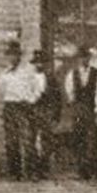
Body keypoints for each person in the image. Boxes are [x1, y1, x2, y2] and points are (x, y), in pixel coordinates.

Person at [0, 39, 39, 181]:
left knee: (28, 139)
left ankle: (31, 172)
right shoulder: (4, 73)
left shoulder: (28, 70)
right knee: (11, 141)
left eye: (15, 55)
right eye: (9, 55)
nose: (12, 58)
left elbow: (37, 88)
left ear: (19, 56)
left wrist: (30, 101)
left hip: (24, 107)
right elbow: (1, 92)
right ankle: (15, 173)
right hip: (9, 107)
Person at [64, 45, 97, 180]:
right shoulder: (72, 74)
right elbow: (69, 92)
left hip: (91, 109)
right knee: (78, 139)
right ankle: (81, 170)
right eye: (81, 57)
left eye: (86, 57)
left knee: (92, 139)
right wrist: (73, 102)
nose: (83, 60)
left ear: (89, 58)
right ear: (78, 59)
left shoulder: (96, 73)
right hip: (78, 109)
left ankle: (92, 170)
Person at [30, 49, 62, 180]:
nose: (39, 65)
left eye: (42, 62)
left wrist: (56, 114)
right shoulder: (29, 78)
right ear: (34, 64)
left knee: (47, 141)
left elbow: (57, 97)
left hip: (46, 111)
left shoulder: (51, 78)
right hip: (33, 111)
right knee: (32, 140)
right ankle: (34, 170)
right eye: (37, 62)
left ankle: (43, 168)